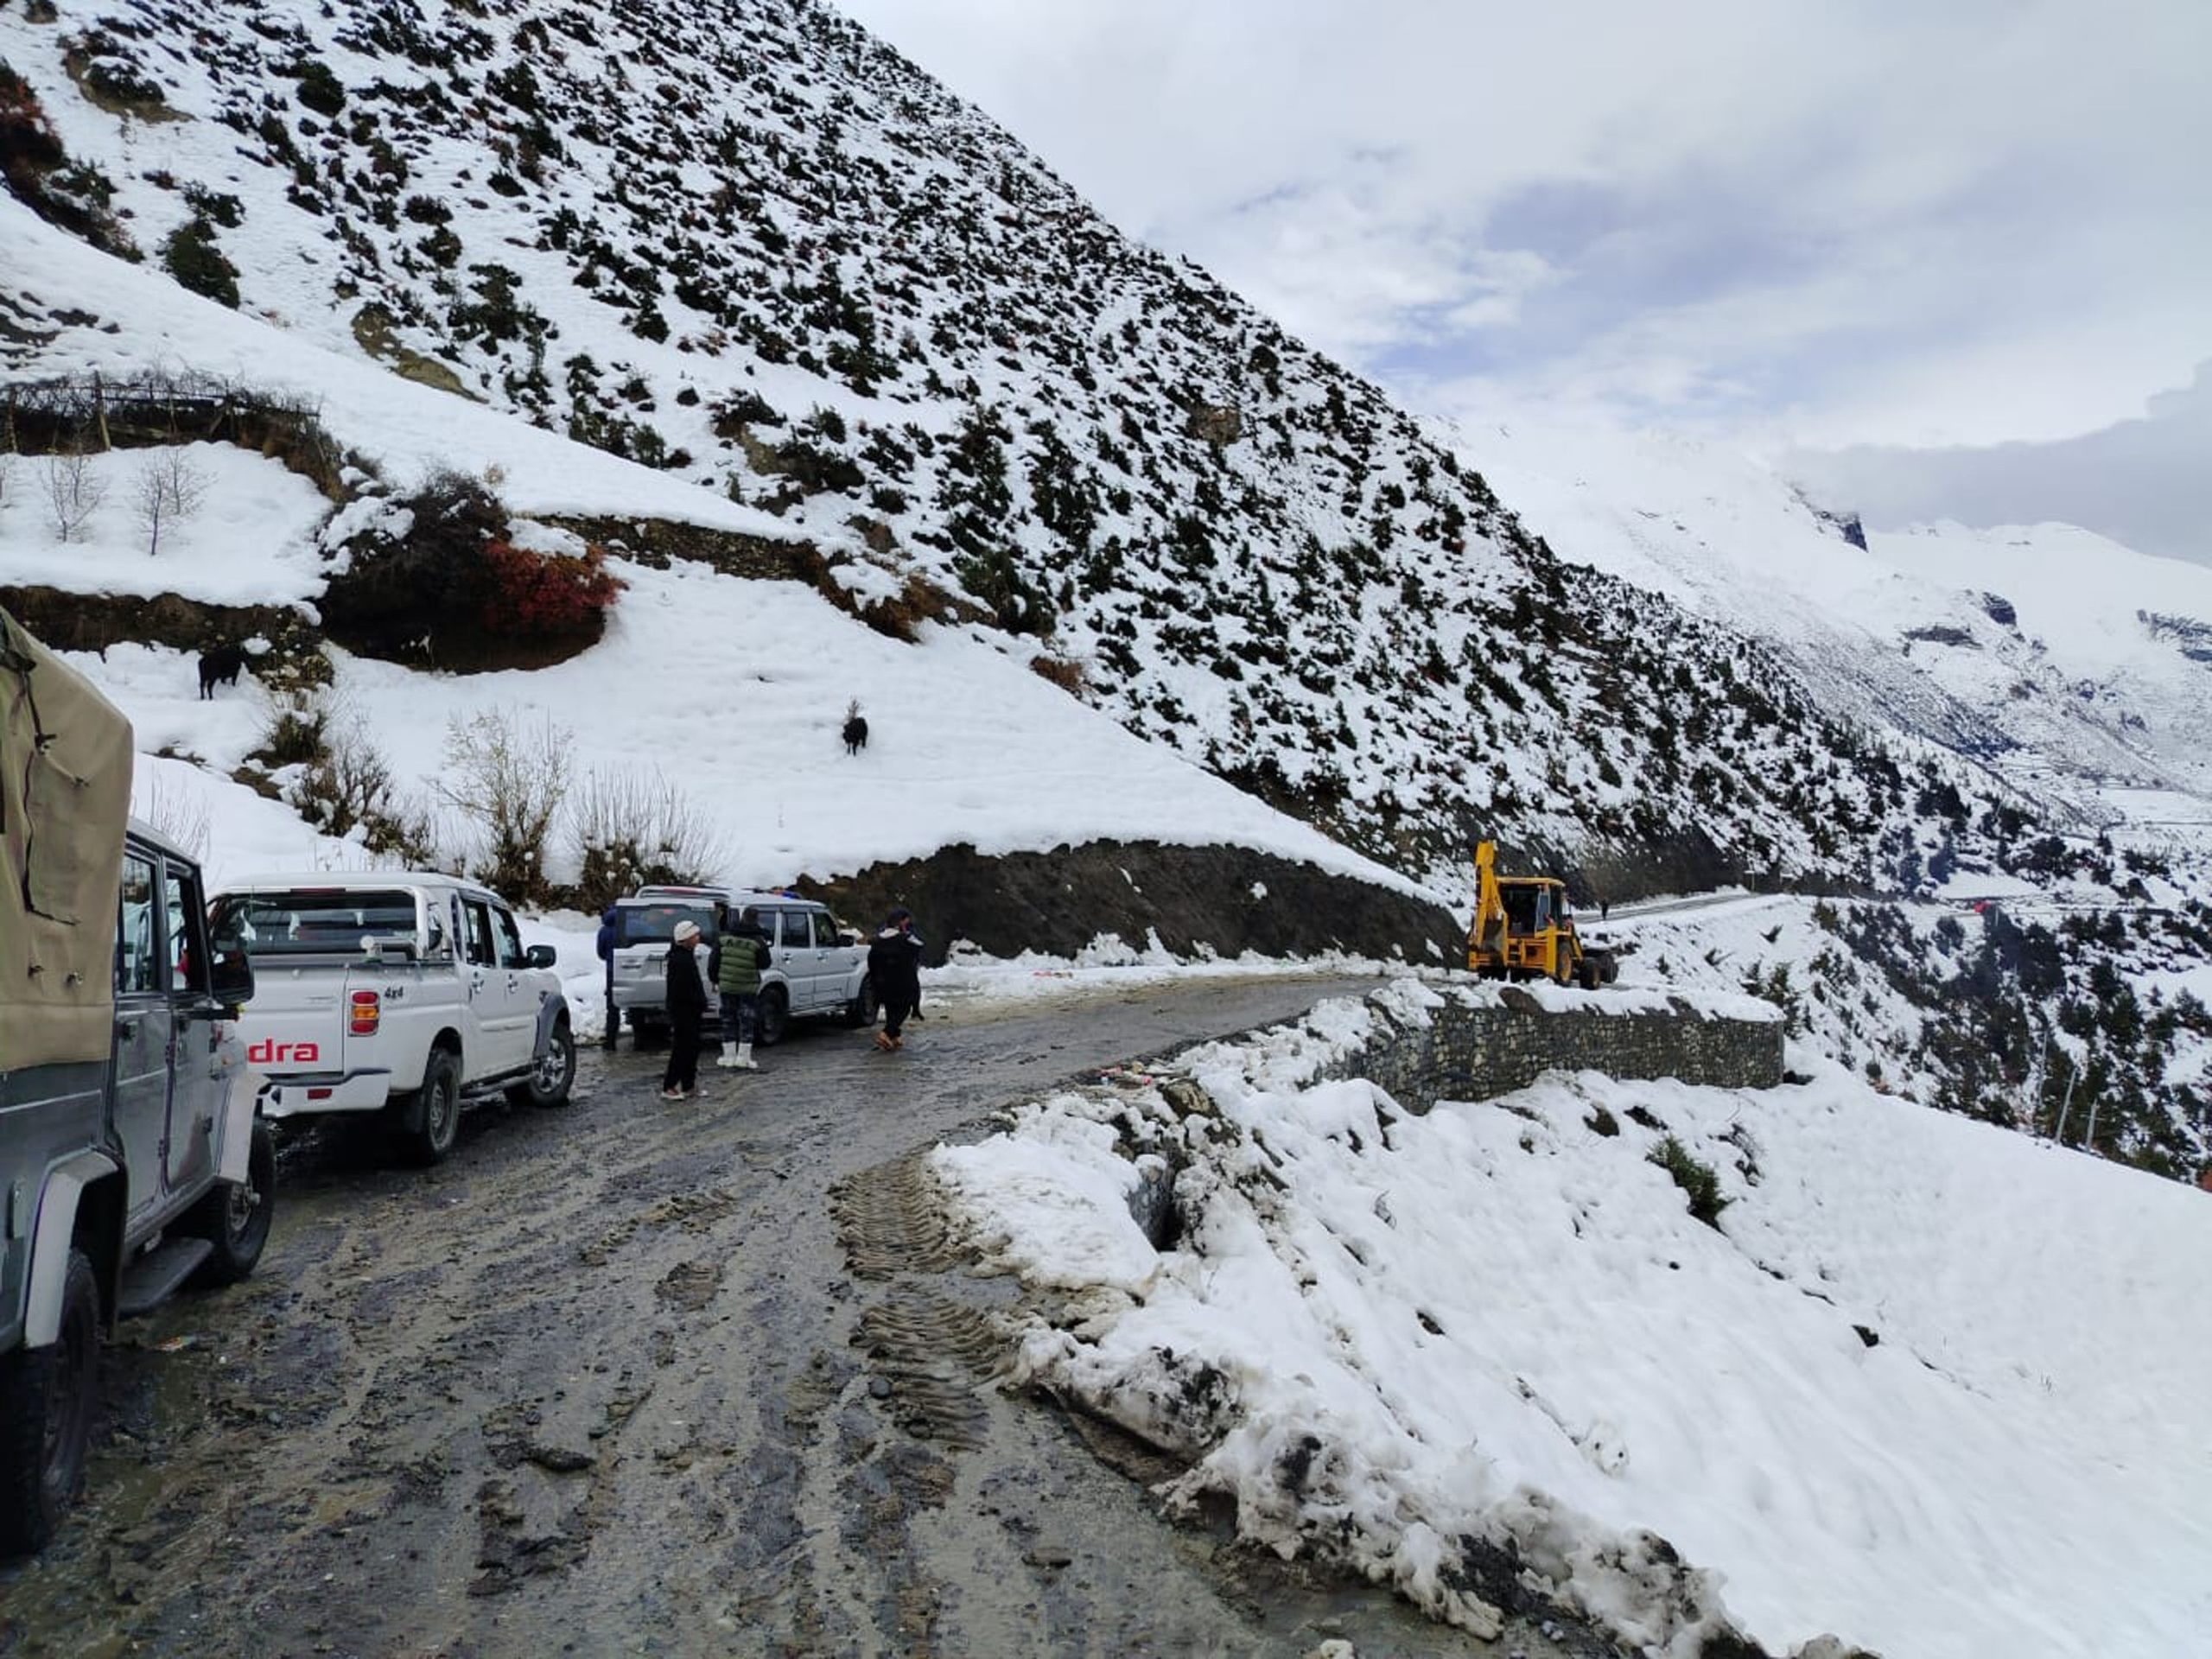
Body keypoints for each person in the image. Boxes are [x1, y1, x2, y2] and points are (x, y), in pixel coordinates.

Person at [715, 906, 772, 1070]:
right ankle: (743, 1058)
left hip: (727, 985)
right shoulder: (758, 941)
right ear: (756, 920)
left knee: (728, 1019)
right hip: (748, 986)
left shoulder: (724, 938)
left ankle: (728, 1057)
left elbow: (714, 962)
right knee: (746, 1020)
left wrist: (716, 979)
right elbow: (765, 963)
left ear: (742, 917)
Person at [662, 918, 708, 1100]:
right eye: (695, 935)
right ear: (686, 938)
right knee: (682, 1048)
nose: (698, 938)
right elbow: (682, 989)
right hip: (683, 1011)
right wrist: (697, 1001)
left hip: (692, 1010)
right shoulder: (679, 960)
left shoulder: (686, 956)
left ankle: (689, 1085)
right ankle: (669, 1086)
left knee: (692, 1048)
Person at [868, 906, 925, 1052]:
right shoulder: (905, 939)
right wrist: (906, 933)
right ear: (901, 922)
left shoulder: (878, 940)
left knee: (891, 1008)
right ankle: (886, 1033)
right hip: (903, 981)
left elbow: (871, 961)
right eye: (906, 921)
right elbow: (919, 946)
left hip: (882, 982)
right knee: (904, 1008)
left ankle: (894, 1036)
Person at [594, 904, 620, 1048]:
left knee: (613, 1008)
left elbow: (601, 952)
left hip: (612, 970)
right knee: (636, 1007)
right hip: (633, 967)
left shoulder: (604, 930)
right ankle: (639, 1042)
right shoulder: (632, 926)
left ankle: (611, 1042)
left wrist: (610, 958)